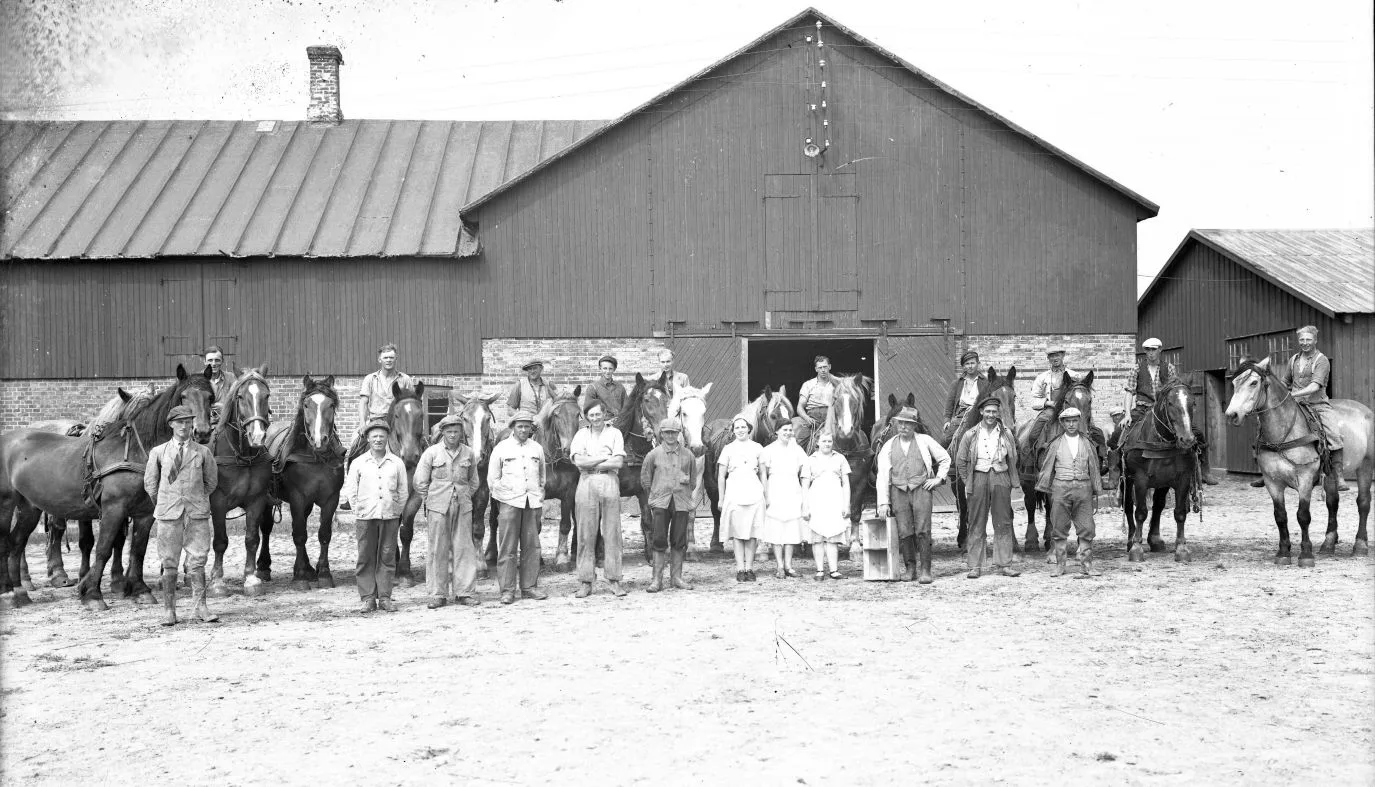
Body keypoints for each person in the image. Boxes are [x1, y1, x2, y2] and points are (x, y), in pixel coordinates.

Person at [144, 405, 219, 626]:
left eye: (188, 422)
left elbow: (211, 482)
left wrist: (195, 498)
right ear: (171, 425)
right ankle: (169, 611)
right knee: (169, 563)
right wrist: (165, 503)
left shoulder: (203, 452)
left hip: (196, 514)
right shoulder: (159, 452)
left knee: (197, 561)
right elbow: (150, 484)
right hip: (168, 514)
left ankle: (201, 608)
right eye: (180, 422)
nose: (184, 426)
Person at [1122, 338, 1218, 484]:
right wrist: (1127, 414)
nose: (1151, 353)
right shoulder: (1136, 369)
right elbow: (1129, 392)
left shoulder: (1169, 368)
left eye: (1153, 349)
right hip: (1143, 408)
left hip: (1164, 411)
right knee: (1120, 434)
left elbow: (1175, 390)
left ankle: (1205, 471)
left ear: (1160, 350)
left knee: (1198, 434)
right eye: (1148, 350)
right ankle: (1116, 474)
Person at [876, 406, 951, 584]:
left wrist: (939, 479)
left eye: (908, 424)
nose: (904, 427)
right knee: (904, 531)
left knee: (923, 530)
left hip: (921, 490)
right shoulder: (888, 445)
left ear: (914, 426)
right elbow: (883, 475)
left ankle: (925, 570)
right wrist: (883, 502)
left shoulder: (925, 441)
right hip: (898, 491)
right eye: (901, 423)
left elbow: (945, 458)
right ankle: (910, 568)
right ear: (896, 424)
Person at [413, 415, 482, 609]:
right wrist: (430, 499)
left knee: (464, 548)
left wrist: (465, 495)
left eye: (456, 431)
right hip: (438, 507)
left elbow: (474, 481)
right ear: (442, 432)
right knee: (438, 548)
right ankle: (438, 594)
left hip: (462, 505)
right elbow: (420, 481)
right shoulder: (432, 453)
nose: (453, 435)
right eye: (449, 431)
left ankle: (465, 592)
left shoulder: (468, 453)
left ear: (462, 433)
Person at [343, 419, 410, 612]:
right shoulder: (358, 463)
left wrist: (396, 510)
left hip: (389, 517)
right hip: (366, 517)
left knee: (387, 556)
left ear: (387, 438)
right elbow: (351, 490)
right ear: (368, 439)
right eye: (374, 436)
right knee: (365, 556)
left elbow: (403, 491)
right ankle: (368, 597)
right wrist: (358, 510)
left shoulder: (396, 463)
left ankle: (385, 597)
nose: (378, 440)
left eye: (382, 436)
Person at [954, 396, 1020, 579]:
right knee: (976, 521)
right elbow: (960, 461)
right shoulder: (970, 434)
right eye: (988, 411)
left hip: (1000, 476)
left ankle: (1005, 564)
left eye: (994, 411)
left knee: (1004, 521)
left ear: (998, 413)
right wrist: (969, 480)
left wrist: (1011, 480)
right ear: (981, 412)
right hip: (978, 478)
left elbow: (1013, 457)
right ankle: (975, 566)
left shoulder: (1006, 433)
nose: (991, 415)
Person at [488, 412, 548, 604]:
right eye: (520, 426)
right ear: (513, 427)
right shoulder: (501, 448)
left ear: (531, 428)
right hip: (509, 503)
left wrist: (538, 496)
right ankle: (507, 590)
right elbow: (493, 479)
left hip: (532, 503)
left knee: (532, 547)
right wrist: (504, 498)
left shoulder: (537, 448)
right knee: (508, 547)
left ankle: (529, 587)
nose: (523, 430)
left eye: (527, 426)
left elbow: (542, 477)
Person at [1036, 407, 1104, 578]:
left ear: (1079, 422)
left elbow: (1094, 467)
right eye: (1068, 421)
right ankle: (1060, 565)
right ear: (1062, 423)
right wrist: (1045, 487)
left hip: (1083, 488)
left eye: (1074, 421)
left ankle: (1087, 564)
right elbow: (1047, 467)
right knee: (1059, 526)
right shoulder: (1055, 443)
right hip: (1061, 488)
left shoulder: (1087, 443)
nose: (1071, 424)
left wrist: (1096, 488)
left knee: (1086, 526)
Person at [1279, 325, 1347, 491]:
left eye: (1308, 339)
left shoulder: (1321, 360)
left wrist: (1292, 395)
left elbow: (1314, 386)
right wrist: (1278, 393)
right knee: (1269, 425)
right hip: (1294, 405)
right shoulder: (1294, 359)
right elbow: (1284, 382)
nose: (1305, 343)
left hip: (1317, 405)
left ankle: (1338, 476)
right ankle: (1268, 472)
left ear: (1315, 340)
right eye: (1302, 339)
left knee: (1333, 433)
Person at [570, 401, 627, 598]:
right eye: (591, 415)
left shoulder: (615, 433)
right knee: (585, 533)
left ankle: (614, 580)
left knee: (612, 533)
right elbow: (579, 461)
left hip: (609, 481)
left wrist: (591, 461)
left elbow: (618, 461)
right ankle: (586, 581)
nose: (595, 419)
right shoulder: (581, 435)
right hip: (586, 483)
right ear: (587, 417)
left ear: (604, 414)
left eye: (598, 414)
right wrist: (604, 458)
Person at [640, 417, 699, 592]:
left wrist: (683, 492)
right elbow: (645, 480)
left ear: (679, 434)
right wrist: (657, 494)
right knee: (658, 539)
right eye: (667, 432)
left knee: (679, 539)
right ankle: (656, 580)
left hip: (681, 502)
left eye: (674, 432)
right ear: (661, 434)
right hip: (660, 502)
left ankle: (677, 578)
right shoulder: (653, 455)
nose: (671, 436)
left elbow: (693, 480)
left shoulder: (688, 455)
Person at [718, 415, 766, 582]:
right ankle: (740, 569)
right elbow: (721, 476)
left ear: (749, 429)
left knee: (752, 533)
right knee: (738, 533)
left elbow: (763, 472)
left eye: (743, 427)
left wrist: (764, 493)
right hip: (735, 493)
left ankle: (749, 568)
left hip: (754, 492)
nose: (740, 430)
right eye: (737, 427)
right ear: (733, 431)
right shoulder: (728, 449)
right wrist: (721, 498)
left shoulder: (758, 447)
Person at [349, 343, 414, 465]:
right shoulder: (370, 378)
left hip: (399, 422)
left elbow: (412, 403)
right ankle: (352, 469)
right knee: (356, 443)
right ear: (380, 359)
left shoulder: (405, 379)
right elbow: (363, 402)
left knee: (419, 444)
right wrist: (362, 424)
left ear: (396, 359)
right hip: (375, 420)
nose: (388, 360)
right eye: (385, 357)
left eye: (391, 357)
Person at [760, 421, 808, 579]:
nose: (788, 432)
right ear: (776, 432)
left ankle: (789, 565)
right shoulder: (768, 450)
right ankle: (779, 566)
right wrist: (766, 495)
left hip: (793, 490)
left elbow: (805, 470)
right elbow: (764, 475)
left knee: (791, 530)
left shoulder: (798, 450)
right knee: (776, 529)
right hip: (775, 490)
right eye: (784, 430)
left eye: (790, 430)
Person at [801, 432, 851, 580]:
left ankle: (834, 570)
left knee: (833, 536)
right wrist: (805, 506)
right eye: (824, 441)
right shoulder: (810, 460)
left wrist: (846, 504)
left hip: (835, 499)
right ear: (818, 443)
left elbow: (846, 483)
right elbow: (804, 486)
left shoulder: (840, 458)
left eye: (829, 441)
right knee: (817, 537)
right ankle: (820, 570)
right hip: (816, 499)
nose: (827, 444)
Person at [1024, 346, 1080, 452]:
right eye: (1051, 356)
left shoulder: (1075, 375)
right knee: (1032, 435)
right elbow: (1034, 400)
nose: (1055, 358)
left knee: (1095, 434)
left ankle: (1101, 460)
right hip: (1050, 411)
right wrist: (1048, 403)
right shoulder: (1042, 377)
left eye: (1057, 355)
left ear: (1063, 356)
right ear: (1048, 358)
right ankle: (1030, 460)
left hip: (1072, 411)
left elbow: (1081, 395)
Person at [943, 350, 984, 434]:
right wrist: (947, 420)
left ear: (978, 364)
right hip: (961, 419)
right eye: (967, 364)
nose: (970, 366)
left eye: (972, 363)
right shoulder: (957, 383)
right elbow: (949, 405)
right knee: (945, 440)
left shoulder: (985, 382)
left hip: (980, 418)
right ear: (963, 366)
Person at [796, 355, 837, 431]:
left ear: (830, 367)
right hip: (813, 421)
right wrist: (806, 418)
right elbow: (800, 407)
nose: (823, 370)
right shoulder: (808, 385)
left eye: (825, 367)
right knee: (800, 440)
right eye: (820, 368)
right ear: (816, 369)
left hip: (833, 420)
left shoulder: (837, 385)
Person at [581, 354, 627, 420]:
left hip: (620, 425)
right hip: (601, 426)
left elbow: (627, 408)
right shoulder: (593, 388)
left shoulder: (620, 387)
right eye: (605, 368)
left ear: (614, 369)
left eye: (610, 369)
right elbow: (587, 412)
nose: (607, 372)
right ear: (600, 369)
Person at [204, 345, 234, 421]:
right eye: (210, 360)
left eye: (217, 360)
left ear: (222, 361)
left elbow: (240, 401)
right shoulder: (197, 380)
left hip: (227, 423)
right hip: (204, 424)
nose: (213, 364)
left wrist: (225, 407)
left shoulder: (231, 378)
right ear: (205, 361)